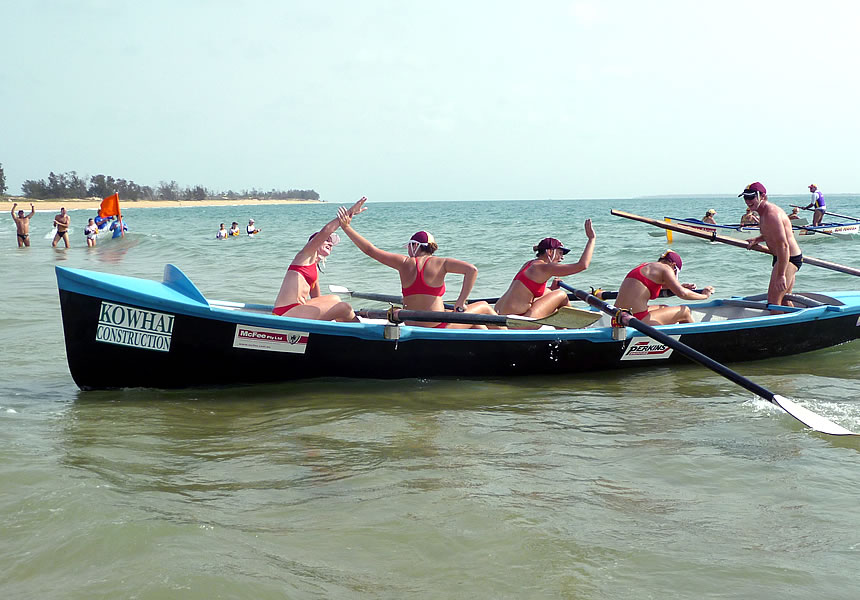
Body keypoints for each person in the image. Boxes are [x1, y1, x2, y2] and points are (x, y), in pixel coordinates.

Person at [336, 197, 497, 329]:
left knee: (479, 326)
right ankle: (511, 338)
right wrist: (461, 302)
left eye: (408, 246)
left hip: (411, 323)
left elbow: (370, 250)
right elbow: (472, 270)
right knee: (483, 306)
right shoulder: (442, 263)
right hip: (438, 326)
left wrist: (347, 228)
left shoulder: (403, 263)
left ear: (415, 246)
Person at [271, 199, 366, 322]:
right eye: (327, 240)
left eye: (331, 243)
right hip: (285, 312)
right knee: (345, 308)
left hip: (300, 310)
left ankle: (339, 331)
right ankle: (359, 334)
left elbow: (318, 300)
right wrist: (350, 212)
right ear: (315, 243)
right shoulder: (303, 256)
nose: (330, 244)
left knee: (335, 299)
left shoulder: (313, 269)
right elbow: (327, 230)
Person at [493, 221, 596, 321]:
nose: (562, 258)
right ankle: (574, 327)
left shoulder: (529, 264)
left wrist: (550, 288)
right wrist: (591, 239)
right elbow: (582, 265)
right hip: (517, 323)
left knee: (552, 294)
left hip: (500, 316)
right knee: (561, 295)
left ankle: (562, 330)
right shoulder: (544, 267)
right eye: (560, 253)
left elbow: (527, 292)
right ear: (550, 252)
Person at [740, 181, 803, 309]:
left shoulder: (771, 214)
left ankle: (780, 328)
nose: (748, 201)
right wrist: (758, 239)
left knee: (773, 303)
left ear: (762, 196)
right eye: (745, 197)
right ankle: (796, 323)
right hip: (783, 258)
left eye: (751, 197)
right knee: (785, 300)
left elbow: (784, 245)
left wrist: (780, 275)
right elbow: (772, 233)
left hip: (787, 259)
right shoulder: (762, 212)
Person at [613, 250, 714, 325]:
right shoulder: (666, 268)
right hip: (634, 321)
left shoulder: (646, 266)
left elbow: (651, 286)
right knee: (685, 311)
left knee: (664, 307)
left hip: (617, 317)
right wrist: (704, 296)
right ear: (673, 266)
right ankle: (693, 341)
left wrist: (679, 286)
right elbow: (682, 294)